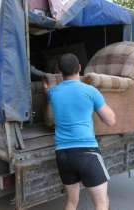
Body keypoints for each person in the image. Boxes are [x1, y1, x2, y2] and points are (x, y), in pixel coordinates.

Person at [44, 53, 116, 210]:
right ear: (79, 68)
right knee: (101, 203)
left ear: (60, 71)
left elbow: (49, 103)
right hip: (86, 152)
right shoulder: (90, 91)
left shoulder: (53, 93)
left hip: (62, 154)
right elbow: (111, 121)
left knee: (71, 202)